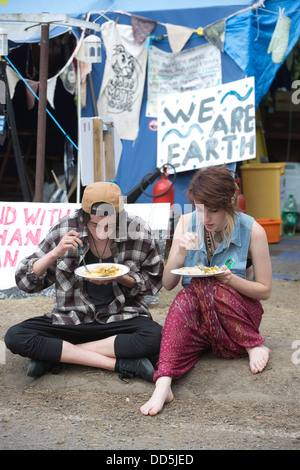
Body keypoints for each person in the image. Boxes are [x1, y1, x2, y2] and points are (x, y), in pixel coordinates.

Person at [140, 166, 272, 416]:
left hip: (238, 315)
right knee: (186, 297)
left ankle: (252, 344)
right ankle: (164, 383)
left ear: (231, 202)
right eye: (199, 208)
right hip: (200, 320)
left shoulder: (253, 230)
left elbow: (264, 291)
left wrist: (230, 279)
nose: (205, 217)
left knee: (213, 287)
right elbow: (168, 284)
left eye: (213, 210)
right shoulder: (187, 222)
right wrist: (179, 251)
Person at [5, 182, 164, 382]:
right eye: (96, 225)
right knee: (15, 336)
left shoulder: (138, 230)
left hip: (120, 319)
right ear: (84, 217)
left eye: (110, 225)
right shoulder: (66, 228)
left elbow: (155, 281)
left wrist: (124, 279)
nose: (102, 232)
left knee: (156, 336)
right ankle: (119, 363)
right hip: (72, 319)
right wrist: (55, 253)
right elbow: (24, 282)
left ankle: (58, 356)